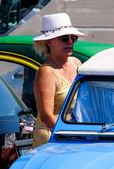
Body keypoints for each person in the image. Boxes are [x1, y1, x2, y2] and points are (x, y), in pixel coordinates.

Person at [32, 13, 85, 147]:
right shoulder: (46, 72)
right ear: (48, 42)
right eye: (64, 38)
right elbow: (46, 116)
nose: (70, 42)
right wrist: (69, 135)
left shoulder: (76, 63)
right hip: (52, 141)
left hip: (72, 137)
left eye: (73, 38)